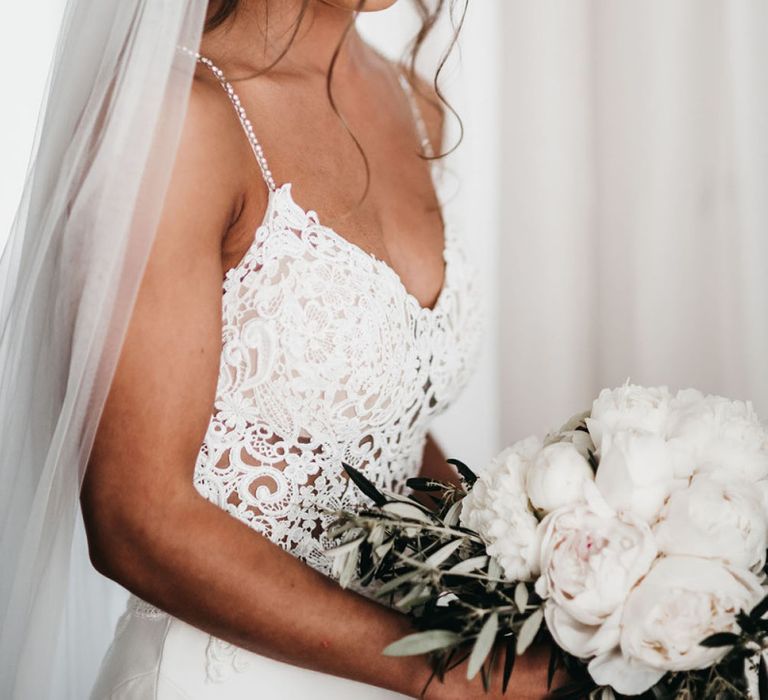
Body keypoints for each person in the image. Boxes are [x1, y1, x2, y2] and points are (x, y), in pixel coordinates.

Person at [2, 1, 559, 697]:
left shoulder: (415, 105)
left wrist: (540, 565)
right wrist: (440, 673)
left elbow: (384, 418)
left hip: (387, 669)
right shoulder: (177, 120)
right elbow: (135, 518)